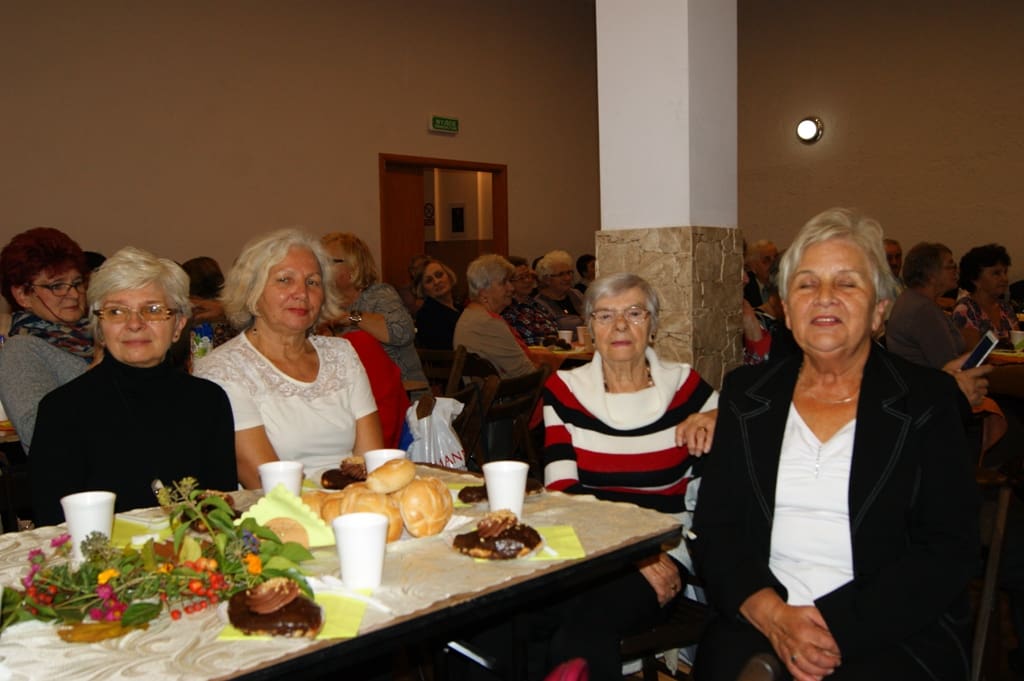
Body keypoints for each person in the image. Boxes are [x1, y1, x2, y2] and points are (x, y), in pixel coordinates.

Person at [694, 208, 978, 681]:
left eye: (847, 283)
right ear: (786, 308)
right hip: (763, 619)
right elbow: (716, 530)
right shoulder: (747, 395)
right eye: (807, 284)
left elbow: (949, 547)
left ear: (880, 310)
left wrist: (834, 625)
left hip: (889, 625)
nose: (825, 296)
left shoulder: (927, 400)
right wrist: (775, 617)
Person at [538, 272, 719, 677]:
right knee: (502, 622)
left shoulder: (684, 387)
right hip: (586, 544)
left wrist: (718, 415)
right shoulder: (565, 390)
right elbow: (562, 492)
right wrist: (629, 555)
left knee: (579, 634)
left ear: (652, 325)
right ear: (590, 328)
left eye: (634, 313)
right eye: (605, 315)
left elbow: (749, 418)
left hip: (661, 553)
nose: (620, 325)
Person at [29, 247, 237, 525]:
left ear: (178, 325)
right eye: (116, 311)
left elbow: (219, 514)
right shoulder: (61, 411)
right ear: (100, 328)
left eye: (153, 310)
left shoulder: (209, 401)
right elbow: (54, 527)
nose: (135, 324)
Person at [195, 229, 383, 487]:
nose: (302, 293)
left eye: (312, 282)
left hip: (355, 503)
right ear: (252, 294)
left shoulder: (342, 355)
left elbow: (370, 464)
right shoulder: (223, 370)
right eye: (284, 280)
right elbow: (269, 484)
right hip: (280, 508)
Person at [0, 228, 95, 452]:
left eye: (77, 283)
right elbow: (38, 432)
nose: (74, 294)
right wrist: (98, 372)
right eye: (57, 286)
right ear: (22, 295)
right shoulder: (21, 350)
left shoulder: (101, 334)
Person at [319, 232, 427, 387]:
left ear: (354, 267)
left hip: (403, 391)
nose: (321, 267)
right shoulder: (325, 303)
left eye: (328, 261)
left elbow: (402, 332)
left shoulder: (379, 294)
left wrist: (350, 317)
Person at [453, 254, 536, 378]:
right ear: (483, 292)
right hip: (511, 389)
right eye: (503, 283)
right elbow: (527, 374)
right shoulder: (488, 323)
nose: (511, 288)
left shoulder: (470, 315)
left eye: (510, 281)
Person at [953, 243, 1020, 348]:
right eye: (996, 273)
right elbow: (973, 354)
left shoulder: (1005, 308)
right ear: (975, 279)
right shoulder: (965, 311)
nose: (1004, 279)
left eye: (1005, 272)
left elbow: (1019, 346)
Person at [501, 256, 558, 346]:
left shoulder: (538, 305)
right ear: (508, 282)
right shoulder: (506, 311)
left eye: (528, 276)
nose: (528, 280)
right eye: (521, 278)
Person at [413, 257, 462, 350]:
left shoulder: (459, 306)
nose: (436, 282)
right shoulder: (426, 316)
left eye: (439, 275)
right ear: (423, 290)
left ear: (449, 276)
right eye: (429, 281)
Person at [534, 250, 586, 335]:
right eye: (561, 274)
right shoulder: (539, 304)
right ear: (547, 279)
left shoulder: (576, 294)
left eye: (569, 273)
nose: (567, 278)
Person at [743, 239, 779, 307]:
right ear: (752, 266)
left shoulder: (783, 283)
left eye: (776, 258)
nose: (774, 264)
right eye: (766, 260)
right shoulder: (745, 289)